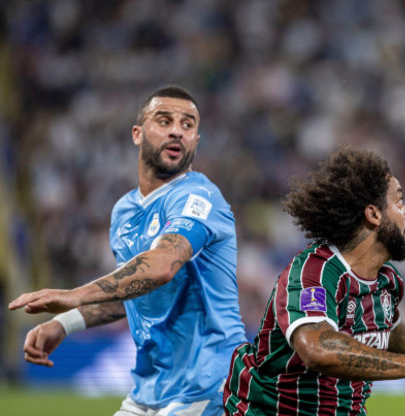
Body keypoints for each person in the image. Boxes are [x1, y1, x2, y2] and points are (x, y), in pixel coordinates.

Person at [9, 85, 247, 416]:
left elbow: (161, 266)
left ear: (196, 141)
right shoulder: (125, 211)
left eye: (188, 124)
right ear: (137, 134)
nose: (177, 130)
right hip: (150, 389)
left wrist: (77, 294)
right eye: (164, 121)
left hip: (209, 384)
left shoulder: (199, 198)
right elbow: (134, 292)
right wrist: (65, 324)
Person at [223, 147, 405, 416]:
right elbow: (317, 349)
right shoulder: (314, 272)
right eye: (400, 202)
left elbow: (389, 323)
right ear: (374, 214)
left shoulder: (387, 280)